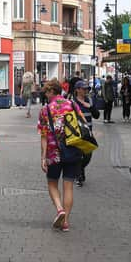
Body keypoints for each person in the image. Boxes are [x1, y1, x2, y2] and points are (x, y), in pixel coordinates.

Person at [38, 79, 86, 232]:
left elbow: (44, 136)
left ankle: (60, 209)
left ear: (52, 91)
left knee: (52, 183)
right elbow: (83, 123)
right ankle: (65, 222)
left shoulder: (45, 110)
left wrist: (43, 157)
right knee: (69, 186)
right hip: (72, 150)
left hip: (54, 153)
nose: (45, 95)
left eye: (46, 92)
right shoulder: (71, 105)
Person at [72, 80, 100, 187]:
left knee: (88, 155)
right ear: (77, 90)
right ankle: (78, 176)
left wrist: (90, 106)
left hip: (88, 133)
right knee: (79, 155)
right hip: (77, 133)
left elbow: (97, 115)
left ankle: (78, 171)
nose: (86, 91)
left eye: (87, 89)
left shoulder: (90, 100)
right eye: (83, 89)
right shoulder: (72, 102)